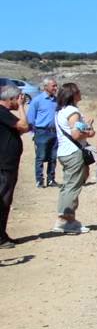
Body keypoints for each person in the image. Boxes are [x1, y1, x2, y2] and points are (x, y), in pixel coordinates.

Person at [53, 83, 95, 234]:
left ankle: (64, 217)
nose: (80, 93)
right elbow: (76, 134)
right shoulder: (73, 111)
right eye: (78, 91)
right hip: (73, 152)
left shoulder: (60, 111)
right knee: (73, 186)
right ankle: (67, 220)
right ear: (73, 94)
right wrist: (89, 131)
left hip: (64, 152)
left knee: (67, 185)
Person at [0, 86, 30, 248]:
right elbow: (24, 126)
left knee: (6, 199)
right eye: (18, 98)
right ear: (10, 99)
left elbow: (20, 130)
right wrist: (22, 108)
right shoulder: (2, 112)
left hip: (8, 163)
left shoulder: (5, 114)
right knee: (3, 200)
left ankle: (2, 234)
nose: (20, 101)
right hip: (4, 164)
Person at [26, 77, 58, 188]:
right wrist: (34, 133)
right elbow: (30, 119)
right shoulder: (37, 100)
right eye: (53, 86)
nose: (55, 88)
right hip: (41, 132)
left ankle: (51, 179)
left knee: (53, 157)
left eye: (55, 85)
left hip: (54, 133)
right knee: (40, 157)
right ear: (46, 87)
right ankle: (39, 180)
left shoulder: (56, 100)